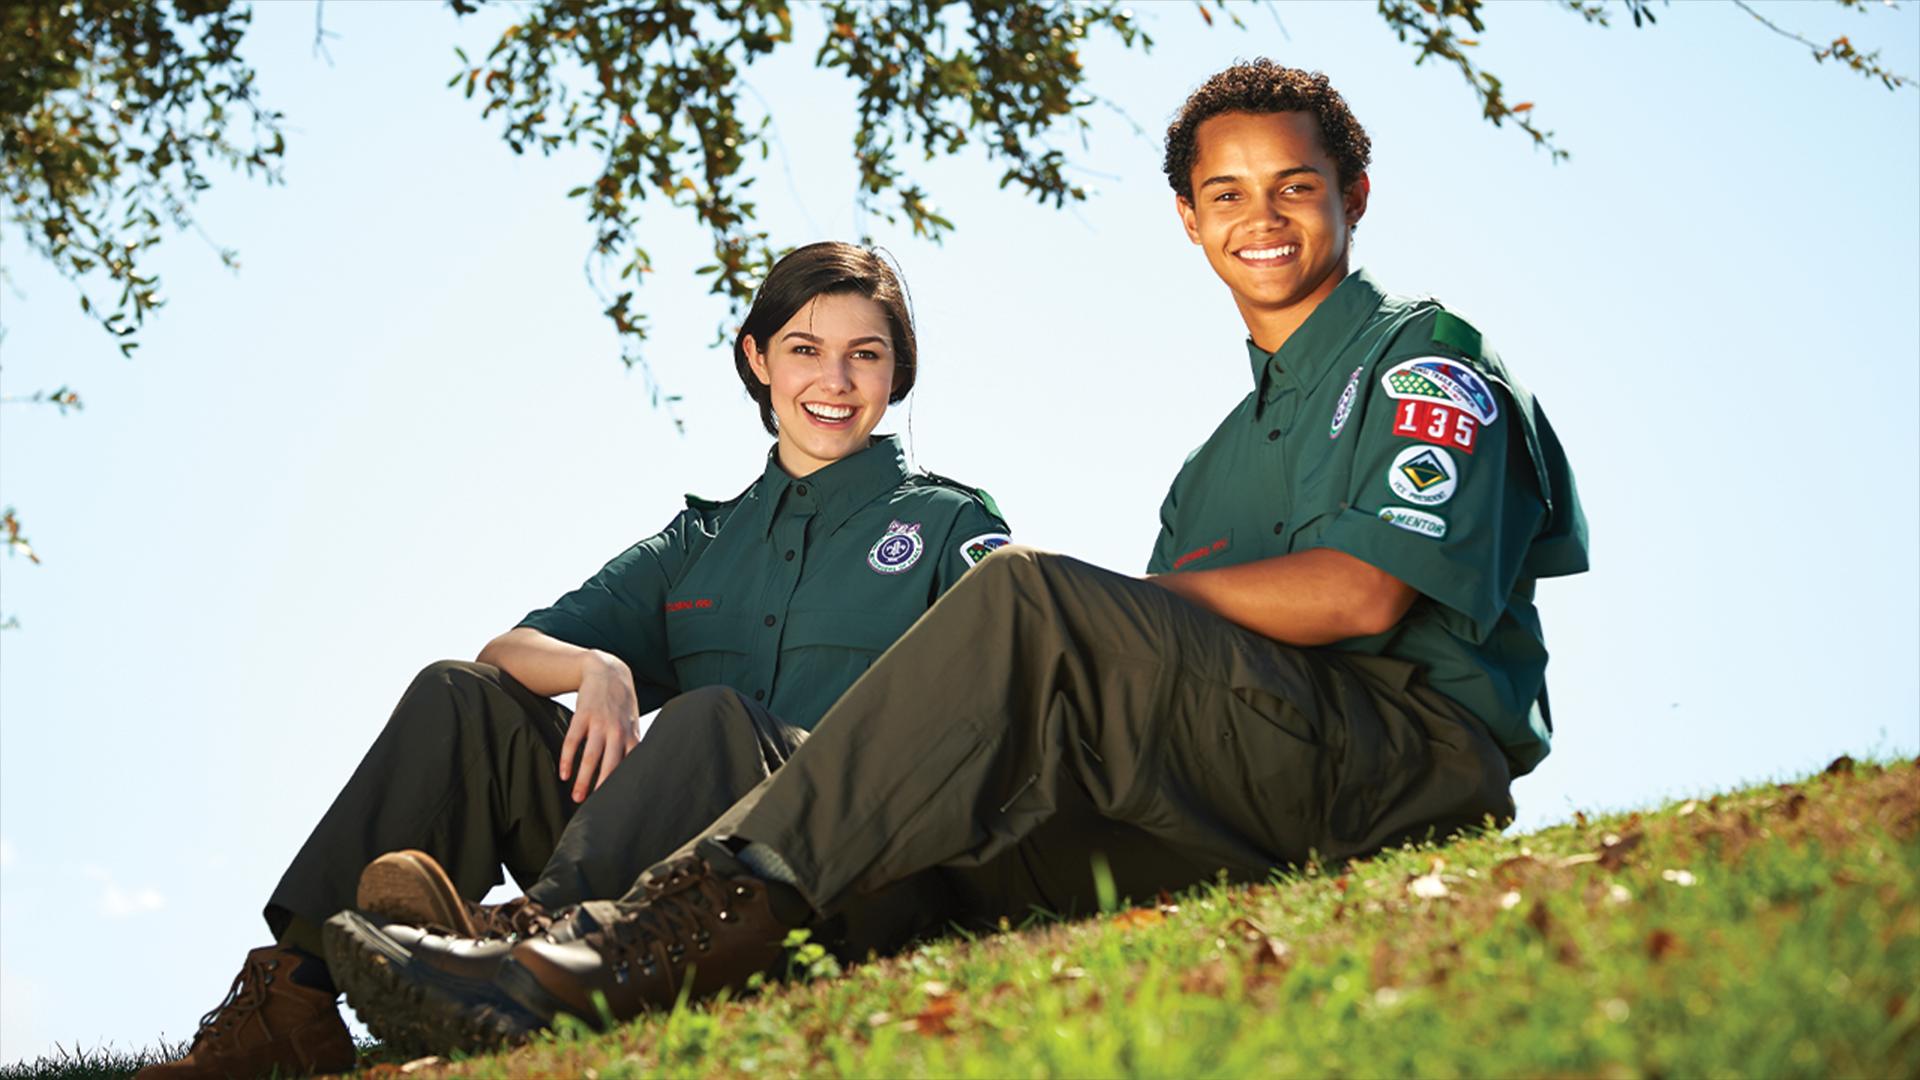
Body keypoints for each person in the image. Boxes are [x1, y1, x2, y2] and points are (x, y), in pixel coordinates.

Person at [326, 59, 1590, 1048]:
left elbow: (1363, 590)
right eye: (1227, 194)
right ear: (1190, 222)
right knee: (987, 795)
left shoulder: (1419, 359)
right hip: (1237, 784)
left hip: (1395, 761)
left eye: (1295, 187)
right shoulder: (1207, 468)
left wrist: (1112, 611)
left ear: (1352, 196)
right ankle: (331, 984)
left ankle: (602, 947)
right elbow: (1129, 700)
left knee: (1017, 597)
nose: (1261, 219)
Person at [136, 241, 1012, 1080]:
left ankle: (525, 950)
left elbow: (1000, 700)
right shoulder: (698, 542)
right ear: (756, 360)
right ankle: (290, 1001)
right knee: (462, 695)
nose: (834, 380)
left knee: (711, 715)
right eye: (804, 349)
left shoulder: (945, 524)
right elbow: (508, 650)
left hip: (829, 870)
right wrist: (599, 665)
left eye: (865, 353)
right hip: (663, 876)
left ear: (898, 371)